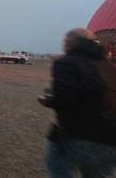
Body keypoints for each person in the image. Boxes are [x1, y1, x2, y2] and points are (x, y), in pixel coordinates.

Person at [37, 28, 116, 177]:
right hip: (111, 139)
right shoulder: (110, 67)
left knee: (57, 167)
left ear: (70, 43)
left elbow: (64, 99)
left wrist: (46, 99)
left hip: (76, 135)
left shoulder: (67, 62)